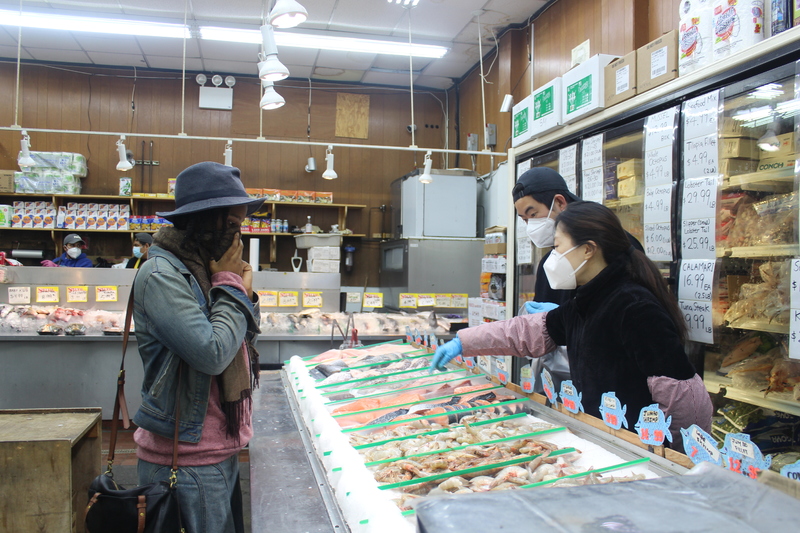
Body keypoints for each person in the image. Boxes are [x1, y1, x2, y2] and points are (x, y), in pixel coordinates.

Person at [431, 202, 713, 447]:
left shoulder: (634, 306)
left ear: (588, 249)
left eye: (557, 246)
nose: (552, 257)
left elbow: (685, 397)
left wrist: (673, 458)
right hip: (606, 437)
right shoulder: (589, 299)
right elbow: (527, 331)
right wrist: (464, 342)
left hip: (638, 447)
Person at [132, 161, 264, 533]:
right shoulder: (162, 275)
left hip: (213, 446)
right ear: (206, 222)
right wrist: (232, 286)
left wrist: (245, 294)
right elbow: (213, 353)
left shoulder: (205, 270)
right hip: (186, 458)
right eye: (234, 225)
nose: (239, 238)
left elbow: (241, 339)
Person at [513, 167, 645, 393]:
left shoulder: (621, 252)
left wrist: (574, 323)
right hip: (566, 382)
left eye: (532, 215)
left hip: (613, 388)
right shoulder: (549, 264)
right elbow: (541, 333)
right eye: (524, 220)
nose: (530, 227)